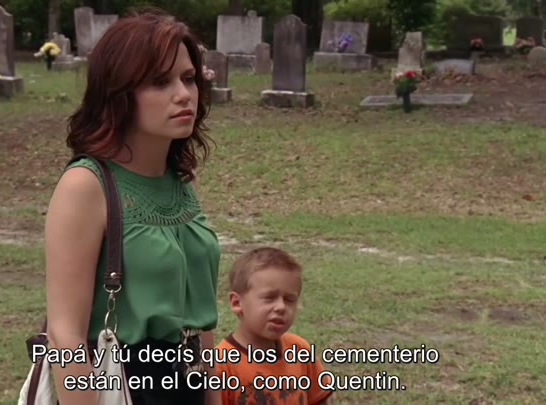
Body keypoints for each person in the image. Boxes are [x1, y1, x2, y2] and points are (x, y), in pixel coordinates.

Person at [43, 8, 221, 405]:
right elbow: (65, 336)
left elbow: (199, 321)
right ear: (120, 93)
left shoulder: (182, 179)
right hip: (121, 384)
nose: (183, 94)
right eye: (160, 82)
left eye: (188, 78)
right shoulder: (85, 185)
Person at [215, 247, 333, 405]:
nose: (281, 307)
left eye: (289, 299)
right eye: (269, 298)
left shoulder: (299, 350)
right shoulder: (221, 366)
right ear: (237, 303)